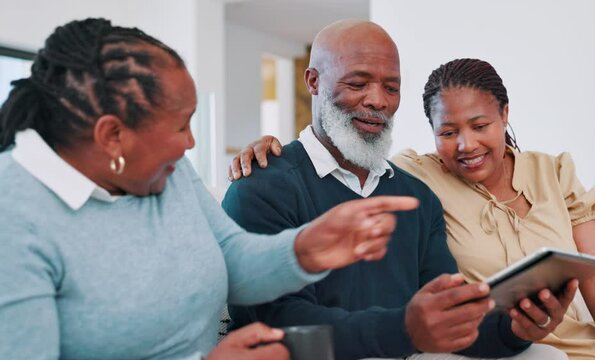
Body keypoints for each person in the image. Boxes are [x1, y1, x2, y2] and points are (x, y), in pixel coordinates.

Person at [0, 18, 421, 360]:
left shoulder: (168, 172)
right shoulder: (15, 219)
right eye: (181, 126)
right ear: (112, 136)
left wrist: (305, 249)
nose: (191, 144)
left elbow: (232, 259)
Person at [233, 57, 595, 359]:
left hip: (587, 350)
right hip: (504, 347)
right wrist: (277, 147)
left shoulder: (553, 171)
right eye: (447, 132)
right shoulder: (418, 178)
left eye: (480, 126)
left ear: (505, 115)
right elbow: (346, 155)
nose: (466, 145)